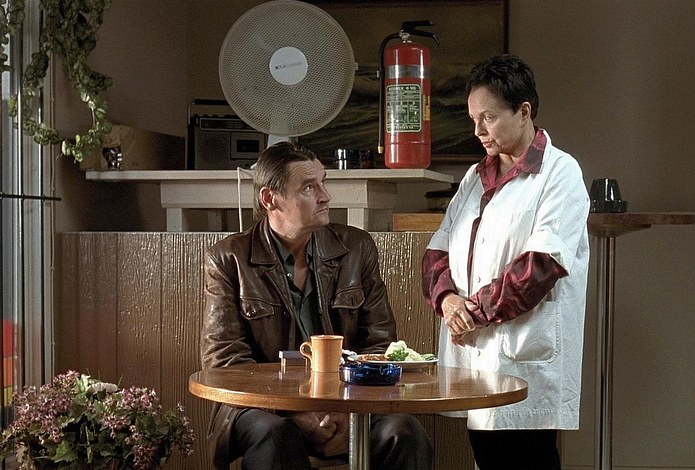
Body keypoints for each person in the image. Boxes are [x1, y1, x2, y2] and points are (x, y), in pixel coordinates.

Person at [201, 141, 433, 470]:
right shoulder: (229, 259)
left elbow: (379, 345)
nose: (326, 196)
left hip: (349, 404)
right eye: (309, 187)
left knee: (405, 433)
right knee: (276, 436)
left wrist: (346, 411)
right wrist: (296, 411)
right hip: (262, 409)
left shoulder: (356, 248)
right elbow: (226, 362)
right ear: (270, 199)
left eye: (323, 183)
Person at [422, 54, 590, 470]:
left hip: (523, 350)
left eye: (489, 118)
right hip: (475, 349)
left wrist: (473, 313)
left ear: (524, 112)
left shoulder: (560, 173)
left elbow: (541, 266)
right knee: (488, 454)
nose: (478, 130)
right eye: (473, 119)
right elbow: (437, 252)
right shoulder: (475, 177)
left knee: (529, 458)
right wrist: (448, 301)